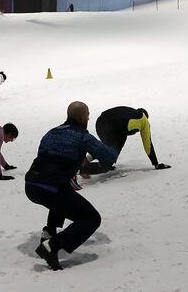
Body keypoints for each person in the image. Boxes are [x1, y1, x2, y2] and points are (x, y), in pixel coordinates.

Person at [25, 101, 119, 271]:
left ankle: (49, 232)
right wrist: (112, 145)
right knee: (91, 218)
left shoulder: (51, 133)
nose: (89, 117)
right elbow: (108, 157)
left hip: (31, 184)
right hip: (49, 188)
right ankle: (52, 246)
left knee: (62, 193)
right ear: (83, 117)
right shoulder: (82, 136)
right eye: (88, 114)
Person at [80, 106, 170, 175]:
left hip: (100, 122)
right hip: (113, 126)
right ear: (146, 116)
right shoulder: (144, 120)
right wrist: (156, 164)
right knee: (110, 157)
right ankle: (82, 169)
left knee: (109, 146)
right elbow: (148, 145)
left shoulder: (130, 111)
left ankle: (87, 159)